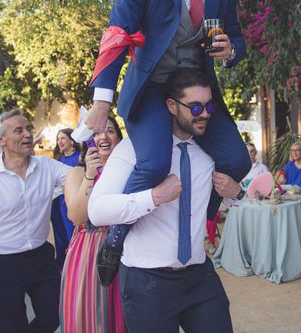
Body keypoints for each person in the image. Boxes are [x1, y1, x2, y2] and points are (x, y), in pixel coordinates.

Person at [86, 0, 250, 286]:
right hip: (150, 91)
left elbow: (239, 42)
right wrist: (102, 100)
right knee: (155, 164)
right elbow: (117, 33)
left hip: (198, 94)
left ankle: (202, 225)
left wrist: (229, 52)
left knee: (238, 162)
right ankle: (117, 236)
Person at [88, 69, 244, 332]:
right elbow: (97, 211)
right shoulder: (134, 150)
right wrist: (153, 197)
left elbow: (231, 199)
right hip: (146, 281)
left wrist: (235, 193)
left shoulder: (211, 151)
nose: (204, 114)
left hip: (198, 275)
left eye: (208, 106)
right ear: (171, 105)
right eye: (195, 107)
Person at [0, 109, 71, 333]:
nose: (27, 134)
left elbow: (75, 177)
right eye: (19, 130)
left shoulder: (47, 167)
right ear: (1, 139)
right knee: (11, 326)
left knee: (55, 314)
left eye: (29, 128)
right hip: (2, 264)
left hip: (41, 258)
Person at [60, 117, 125, 333]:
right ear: (88, 140)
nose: (103, 137)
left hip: (126, 247)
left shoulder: (130, 171)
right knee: (92, 316)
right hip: (88, 251)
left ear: (119, 137)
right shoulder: (77, 173)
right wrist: (90, 173)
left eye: (110, 131)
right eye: (96, 133)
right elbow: (76, 216)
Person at [52, 128, 81, 270]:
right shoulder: (56, 159)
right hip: (57, 202)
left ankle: (75, 263)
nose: (60, 142)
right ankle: (62, 266)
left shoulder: (80, 157)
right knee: (59, 234)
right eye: (58, 139)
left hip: (72, 201)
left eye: (63, 138)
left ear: (71, 140)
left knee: (72, 231)